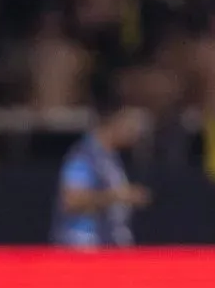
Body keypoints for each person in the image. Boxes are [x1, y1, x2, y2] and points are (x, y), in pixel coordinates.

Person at [51, 98, 151, 248]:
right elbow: (72, 200)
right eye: (133, 124)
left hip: (106, 244)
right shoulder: (84, 156)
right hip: (82, 246)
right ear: (116, 121)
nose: (137, 132)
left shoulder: (110, 157)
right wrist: (118, 196)